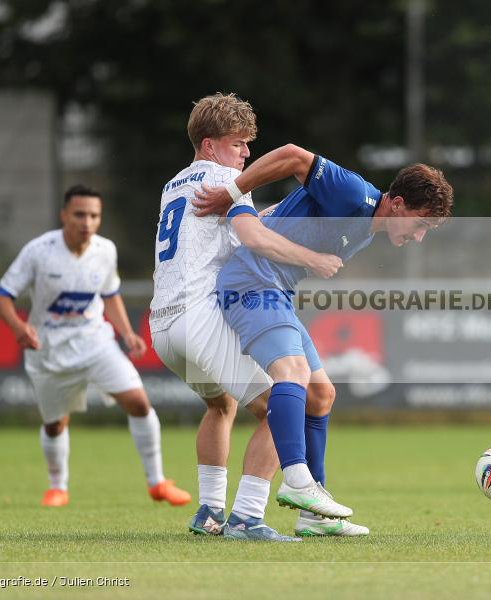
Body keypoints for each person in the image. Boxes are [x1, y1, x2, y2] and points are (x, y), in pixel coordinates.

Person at [196, 145, 454, 522]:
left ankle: (315, 518)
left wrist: (257, 222)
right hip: (252, 286)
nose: (419, 237)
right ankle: (296, 481)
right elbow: (293, 156)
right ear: (397, 203)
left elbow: (280, 217)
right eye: (421, 225)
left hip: (275, 292)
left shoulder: (367, 224)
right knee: (294, 375)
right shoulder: (353, 192)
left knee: (321, 394)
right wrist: (233, 193)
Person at [149, 93, 363, 541]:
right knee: (282, 405)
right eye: (238, 144)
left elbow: (220, 234)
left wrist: (260, 217)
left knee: (221, 404)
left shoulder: (175, 183)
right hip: (199, 314)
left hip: (162, 325)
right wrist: (314, 258)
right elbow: (251, 238)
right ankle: (247, 517)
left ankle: (208, 511)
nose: (246, 154)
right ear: (210, 145)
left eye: (248, 145)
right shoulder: (227, 178)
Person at [0, 185, 191, 508]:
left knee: (139, 403)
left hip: (95, 341)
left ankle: (157, 482)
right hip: (49, 349)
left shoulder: (105, 250)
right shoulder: (39, 251)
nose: (87, 221)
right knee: (55, 423)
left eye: (94, 215)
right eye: (80, 214)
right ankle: (57, 487)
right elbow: (3, 295)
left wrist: (127, 333)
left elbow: (109, 294)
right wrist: (18, 326)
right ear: (64, 216)